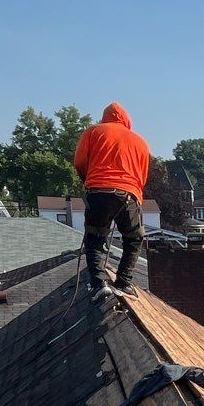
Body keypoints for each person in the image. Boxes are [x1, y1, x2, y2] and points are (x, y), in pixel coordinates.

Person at [72, 101, 151, 295]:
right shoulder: (140, 141)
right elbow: (142, 176)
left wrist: (90, 183)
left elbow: (80, 162)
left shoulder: (94, 132)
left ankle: (99, 284)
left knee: (95, 238)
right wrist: (134, 197)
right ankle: (124, 282)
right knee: (133, 238)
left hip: (98, 191)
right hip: (128, 194)